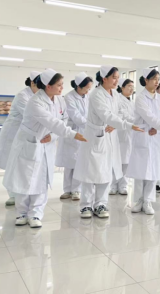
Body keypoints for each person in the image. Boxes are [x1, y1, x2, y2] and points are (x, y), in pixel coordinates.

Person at [3, 69, 87, 229]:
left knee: (41, 179)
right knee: (24, 180)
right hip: (29, 143)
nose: (62, 88)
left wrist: (53, 136)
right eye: (59, 85)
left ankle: (36, 214)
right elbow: (52, 121)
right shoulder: (35, 102)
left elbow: (63, 120)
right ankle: (22, 213)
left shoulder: (60, 101)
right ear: (48, 86)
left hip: (46, 143)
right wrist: (73, 134)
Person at [74, 66, 141, 219]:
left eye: (118, 77)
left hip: (110, 136)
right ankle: (86, 205)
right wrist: (126, 125)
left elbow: (118, 113)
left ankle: (100, 204)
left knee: (106, 171)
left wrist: (115, 124)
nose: (117, 80)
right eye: (114, 77)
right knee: (90, 171)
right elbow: (106, 115)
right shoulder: (96, 94)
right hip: (95, 136)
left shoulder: (115, 95)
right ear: (104, 78)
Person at [128, 68, 160, 215]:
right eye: (154, 79)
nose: (157, 82)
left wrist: (158, 128)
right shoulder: (140, 98)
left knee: (153, 170)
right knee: (140, 171)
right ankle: (139, 200)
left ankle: (148, 201)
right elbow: (149, 117)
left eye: (158, 79)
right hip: (143, 135)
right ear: (146, 80)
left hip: (156, 136)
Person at [0, 71, 41, 207]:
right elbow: (31, 115)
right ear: (33, 83)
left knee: (22, 164)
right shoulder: (22, 96)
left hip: (26, 134)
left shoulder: (38, 96)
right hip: (13, 134)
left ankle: (22, 192)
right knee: (12, 164)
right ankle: (13, 195)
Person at [56, 73, 93, 201]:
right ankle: (67, 190)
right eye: (86, 88)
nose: (88, 91)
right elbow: (75, 115)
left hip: (83, 132)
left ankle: (76, 190)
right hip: (71, 132)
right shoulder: (69, 97)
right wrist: (90, 125)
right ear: (79, 86)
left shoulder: (87, 97)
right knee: (69, 164)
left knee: (79, 163)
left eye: (89, 88)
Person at [110, 78, 136, 196]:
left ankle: (123, 185)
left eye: (132, 87)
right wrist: (136, 121)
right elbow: (122, 115)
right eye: (129, 86)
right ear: (122, 87)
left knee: (126, 162)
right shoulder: (117, 100)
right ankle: (113, 186)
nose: (131, 89)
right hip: (119, 134)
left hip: (130, 135)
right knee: (117, 161)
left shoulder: (132, 102)